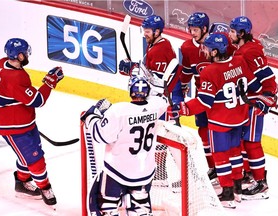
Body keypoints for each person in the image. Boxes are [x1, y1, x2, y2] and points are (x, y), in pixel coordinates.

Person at [169, 33, 263, 208]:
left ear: (214, 52)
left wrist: (183, 108)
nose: (203, 50)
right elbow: (253, 85)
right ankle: (237, 190)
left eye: (206, 48)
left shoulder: (211, 71)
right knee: (235, 153)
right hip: (240, 118)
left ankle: (227, 193)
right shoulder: (239, 61)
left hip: (220, 122)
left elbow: (204, 102)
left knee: (220, 157)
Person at [81, 73, 169, 215]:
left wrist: (91, 115)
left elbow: (100, 135)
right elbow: (162, 98)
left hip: (116, 172)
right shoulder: (157, 106)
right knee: (141, 209)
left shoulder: (118, 111)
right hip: (144, 172)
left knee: (107, 207)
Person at [0, 38, 64, 207]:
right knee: (35, 160)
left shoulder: (2, 63)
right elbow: (37, 100)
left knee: (28, 156)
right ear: (20, 56)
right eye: (25, 52)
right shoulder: (15, 77)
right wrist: (50, 81)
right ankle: (45, 187)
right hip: (12, 126)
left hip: (23, 121)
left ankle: (22, 182)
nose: (28, 54)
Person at [119, 14, 183, 187]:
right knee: (160, 136)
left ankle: (188, 178)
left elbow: (158, 81)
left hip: (167, 100)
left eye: (147, 31)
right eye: (144, 30)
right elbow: (150, 75)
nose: (144, 34)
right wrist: (134, 68)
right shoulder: (155, 44)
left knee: (173, 139)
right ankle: (161, 176)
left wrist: (133, 68)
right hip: (162, 99)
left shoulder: (160, 49)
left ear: (157, 31)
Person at [229, 16, 278, 200]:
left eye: (233, 31)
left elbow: (258, 82)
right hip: (253, 99)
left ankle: (261, 183)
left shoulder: (245, 53)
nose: (230, 34)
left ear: (242, 33)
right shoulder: (251, 46)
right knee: (244, 140)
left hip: (257, 101)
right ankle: (250, 174)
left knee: (251, 142)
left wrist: (265, 97)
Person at [180, 12, 216, 180]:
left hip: (219, 97)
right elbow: (187, 71)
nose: (192, 33)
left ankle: (229, 170)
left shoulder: (218, 43)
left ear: (204, 28)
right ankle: (213, 167)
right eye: (190, 29)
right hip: (202, 94)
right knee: (203, 132)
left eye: (195, 29)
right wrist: (183, 85)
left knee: (221, 133)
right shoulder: (187, 47)